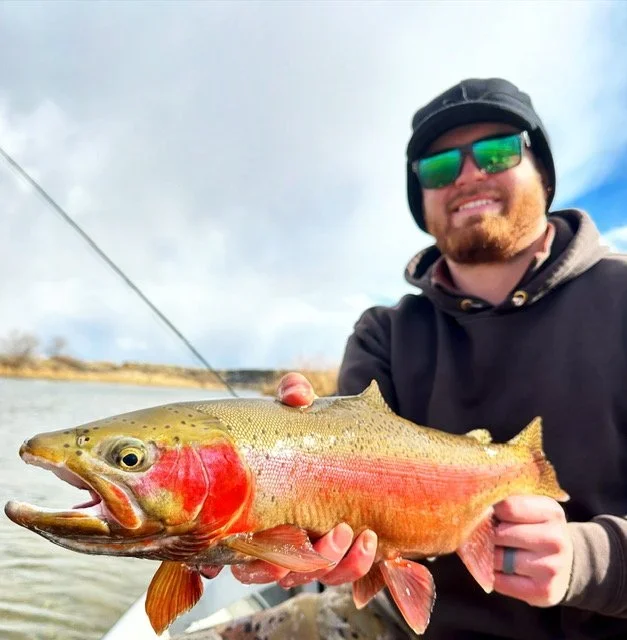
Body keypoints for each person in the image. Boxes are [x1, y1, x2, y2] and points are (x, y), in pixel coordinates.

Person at [191, 78, 627, 639]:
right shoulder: (385, 333)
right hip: (408, 624)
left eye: (497, 151)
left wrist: (587, 561)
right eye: (439, 167)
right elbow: (349, 545)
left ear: (542, 171)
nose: (468, 174)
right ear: (420, 198)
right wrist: (288, 474)